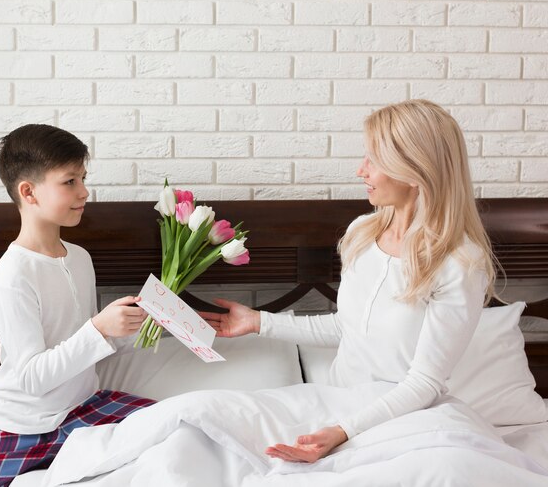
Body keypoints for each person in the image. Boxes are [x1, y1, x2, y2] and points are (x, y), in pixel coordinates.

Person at [201, 99, 497, 464]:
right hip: (337, 402)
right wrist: (258, 322)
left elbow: (424, 384)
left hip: (405, 418)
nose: (361, 170)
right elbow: (350, 328)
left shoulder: (459, 263)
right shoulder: (362, 233)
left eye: (374, 160)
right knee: (204, 424)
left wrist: (343, 431)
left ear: (414, 170)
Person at [0, 124, 155, 486]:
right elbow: (31, 379)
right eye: (70, 181)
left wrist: (134, 326)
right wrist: (99, 328)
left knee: (179, 423)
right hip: (19, 426)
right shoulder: (13, 277)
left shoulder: (80, 258)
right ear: (29, 192)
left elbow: (85, 347)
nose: (85, 191)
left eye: (83, 178)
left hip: (84, 411)